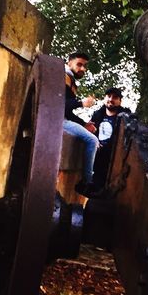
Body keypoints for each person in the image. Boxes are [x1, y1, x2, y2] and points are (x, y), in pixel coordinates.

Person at [63, 51, 98, 192]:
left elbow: (67, 111)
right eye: (79, 64)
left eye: (84, 66)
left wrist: (84, 124)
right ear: (69, 62)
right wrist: (81, 103)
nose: (83, 69)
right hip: (55, 120)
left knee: (93, 141)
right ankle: (87, 183)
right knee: (92, 141)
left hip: (63, 118)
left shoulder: (70, 81)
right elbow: (60, 104)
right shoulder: (62, 76)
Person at [89, 87, 132, 188]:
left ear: (120, 101)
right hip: (97, 156)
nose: (111, 99)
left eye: (115, 97)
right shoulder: (97, 115)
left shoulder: (125, 117)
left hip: (115, 157)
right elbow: (91, 132)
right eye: (109, 96)